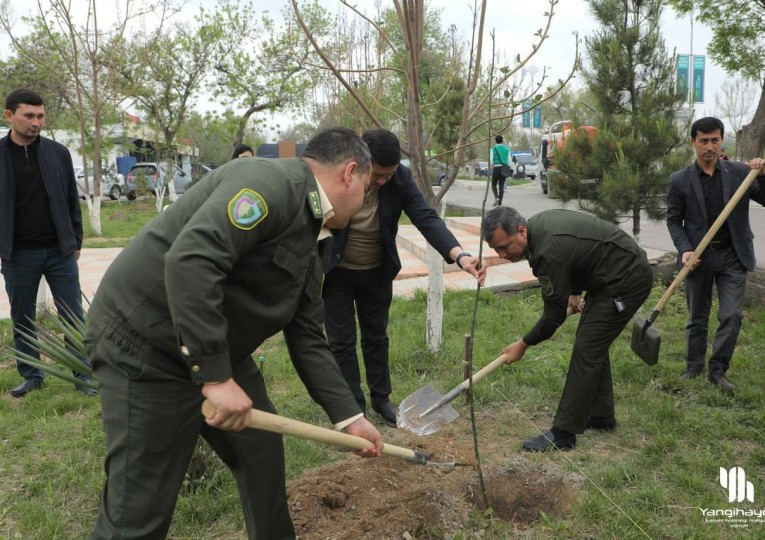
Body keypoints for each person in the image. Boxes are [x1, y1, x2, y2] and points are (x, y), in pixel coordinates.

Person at [84, 127, 384, 539]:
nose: (365, 199)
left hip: (215, 349)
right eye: (367, 187)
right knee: (140, 505)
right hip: (144, 345)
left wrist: (350, 417)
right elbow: (191, 261)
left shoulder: (316, 233)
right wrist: (215, 377)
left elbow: (307, 335)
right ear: (350, 173)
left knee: (260, 452)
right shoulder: (266, 186)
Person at [323, 128, 486, 426]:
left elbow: (425, 217)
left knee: (376, 337)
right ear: (359, 164)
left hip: (376, 272)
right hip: (337, 273)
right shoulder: (339, 176)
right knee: (341, 343)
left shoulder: (400, 179)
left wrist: (460, 255)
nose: (383, 181)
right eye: (378, 175)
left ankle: (381, 399)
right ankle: (353, 410)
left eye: (389, 174)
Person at [482, 207, 653, 452]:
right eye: (496, 249)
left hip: (626, 278)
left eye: (505, 247)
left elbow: (553, 316)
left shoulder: (547, 250)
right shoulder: (537, 229)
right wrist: (573, 291)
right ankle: (601, 416)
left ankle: (564, 433)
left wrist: (523, 344)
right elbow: (578, 255)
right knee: (591, 343)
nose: (501, 254)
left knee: (587, 348)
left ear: (521, 231)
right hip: (609, 272)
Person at [0, 88, 96, 398]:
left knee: (73, 315)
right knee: (23, 316)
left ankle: (83, 376)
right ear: (9, 115)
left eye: (40, 116)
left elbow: (71, 199)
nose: (36, 122)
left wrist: (76, 239)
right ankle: (32, 375)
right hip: (18, 254)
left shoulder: (58, 153)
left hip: (59, 252)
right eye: (29, 116)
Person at [666, 116, 765, 395]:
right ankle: (693, 366)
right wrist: (685, 250)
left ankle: (718, 370)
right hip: (698, 256)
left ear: (721, 140)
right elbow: (674, 220)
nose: (710, 146)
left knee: (732, 315)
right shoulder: (679, 180)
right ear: (693, 142)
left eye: (715, 140)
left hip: (733, 255)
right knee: (697, 316)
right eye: (704, 141)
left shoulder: (739, 173)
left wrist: (763, 173)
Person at [490, 134, 512, 206]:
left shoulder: (493, 149)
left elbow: (491, 160)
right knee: (501, 186)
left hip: (496, 168)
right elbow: (509, 161)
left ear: (495, 141)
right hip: (503, 168)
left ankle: (496, 197)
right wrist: (508, 167)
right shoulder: (507, 149)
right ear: (502, 141)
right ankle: (500, 203)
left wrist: (491, 165)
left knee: (493, 184)